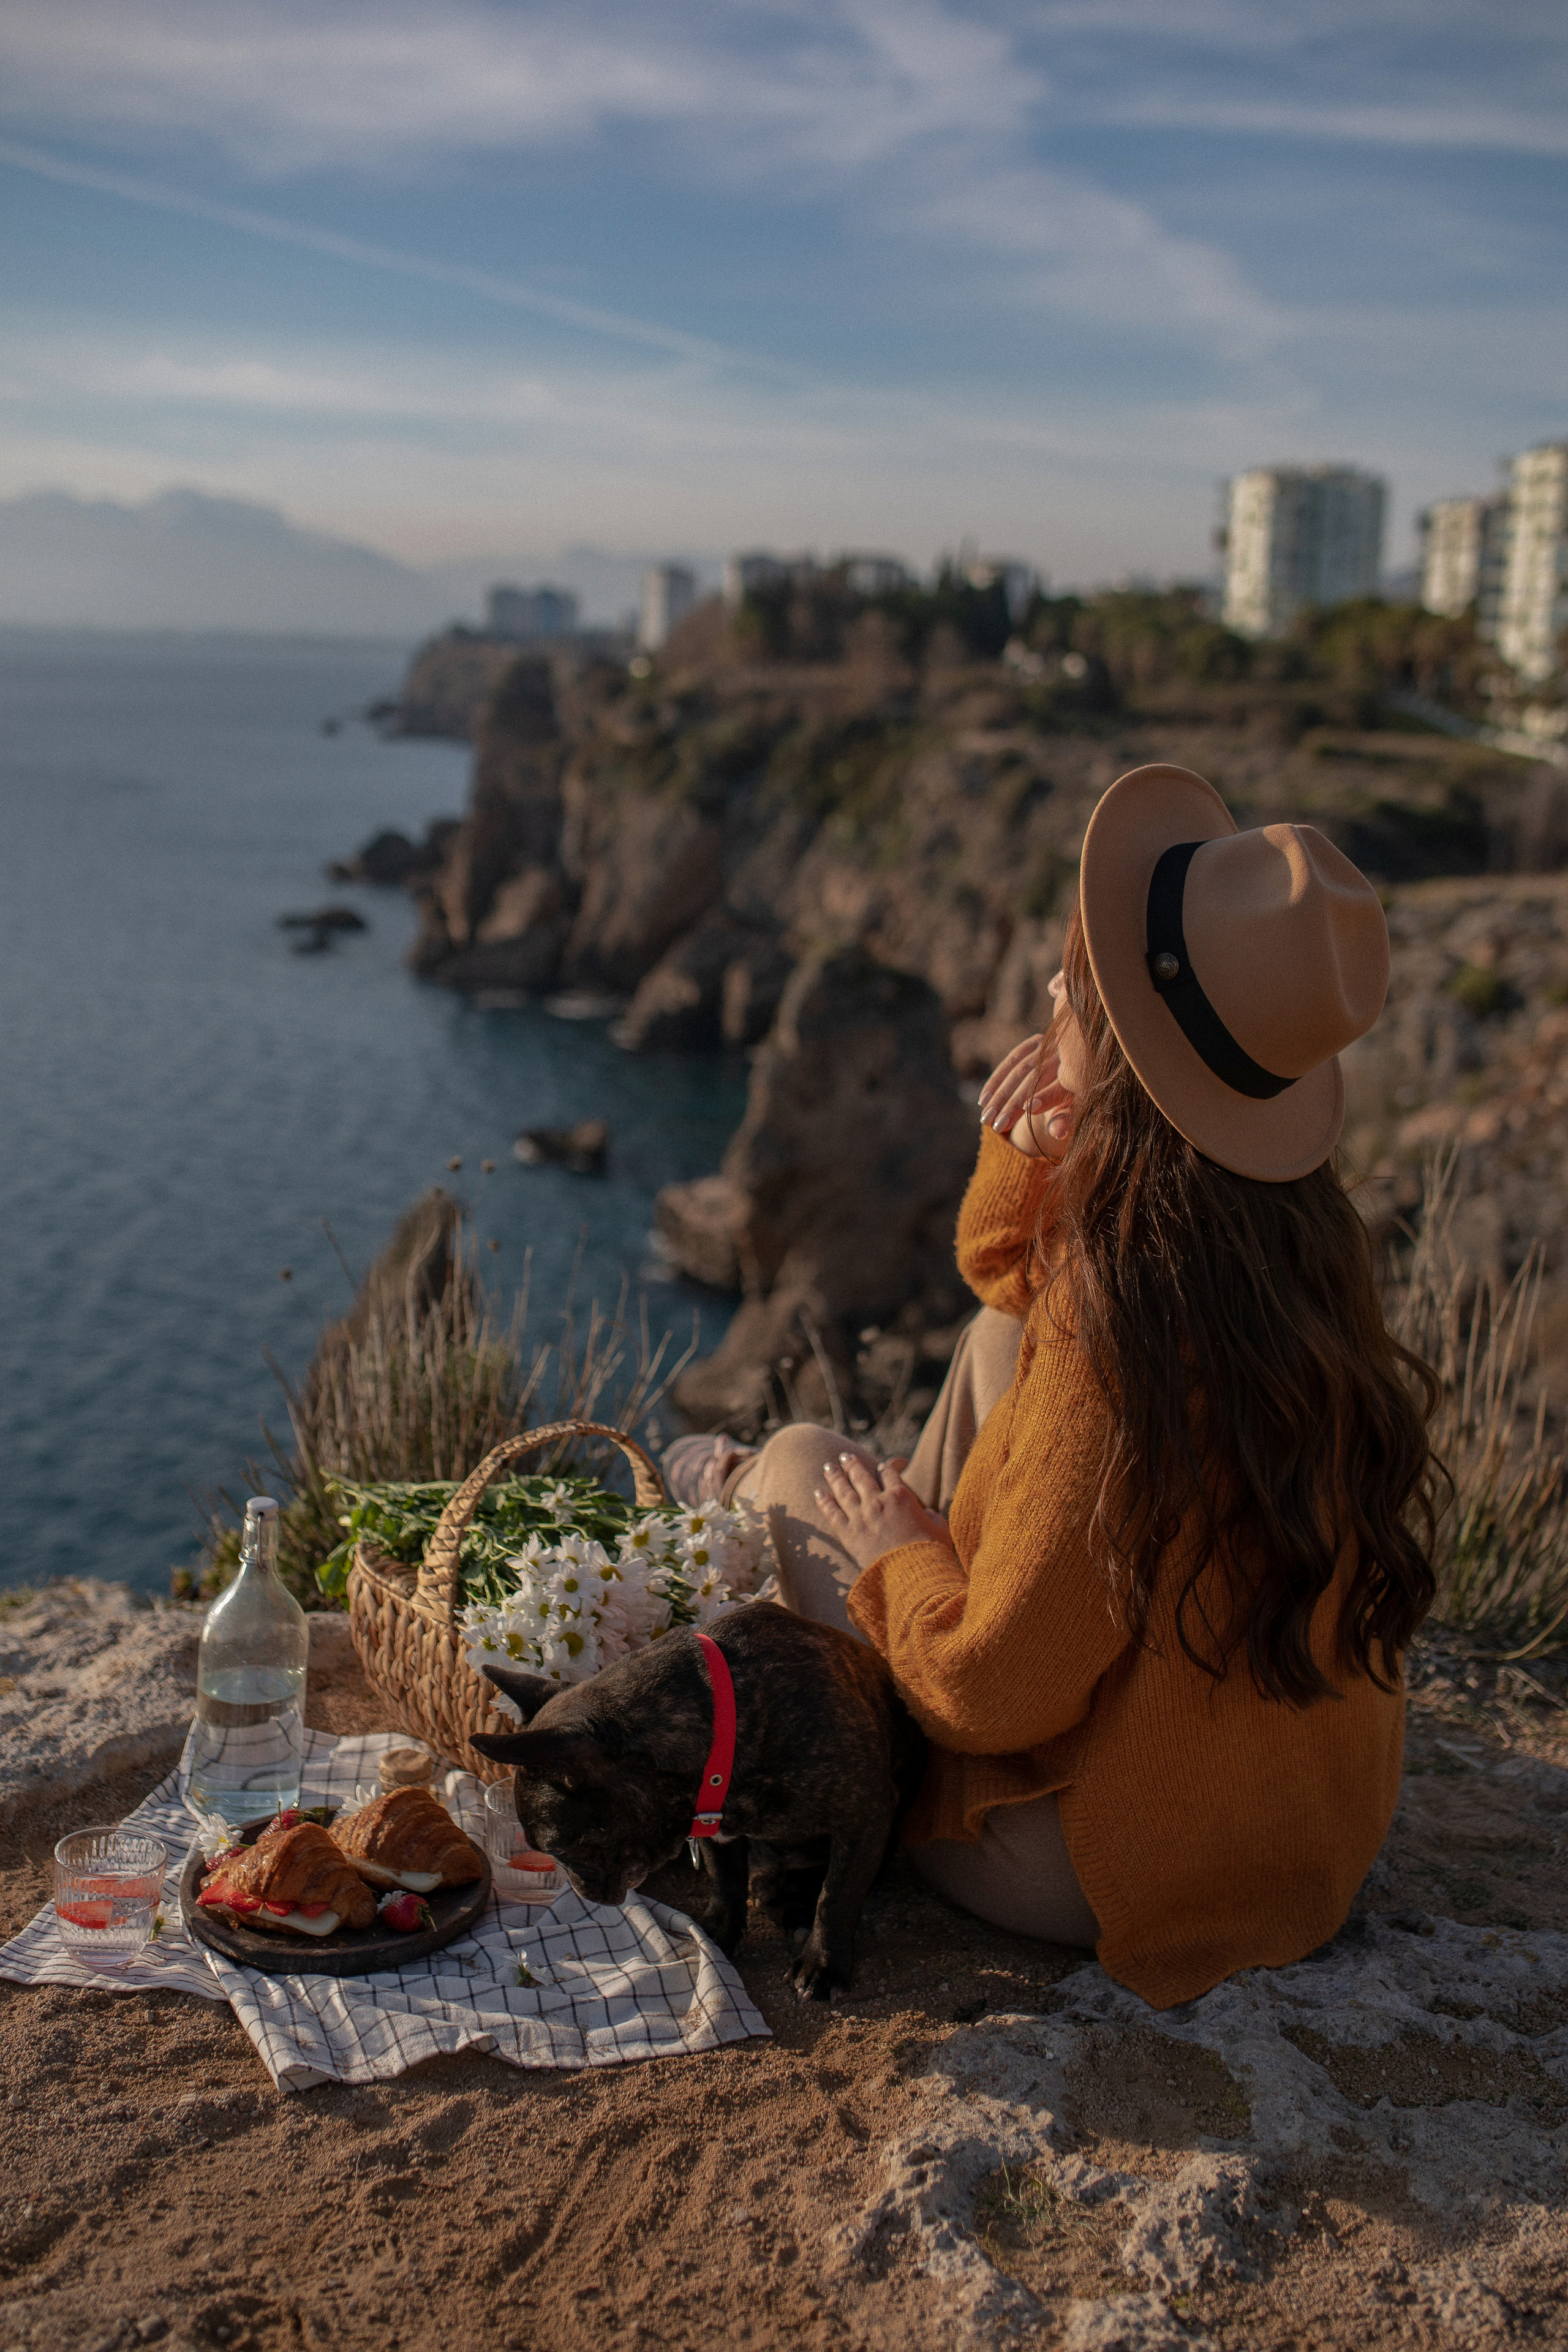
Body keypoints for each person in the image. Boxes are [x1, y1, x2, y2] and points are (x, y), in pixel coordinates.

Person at [667, 762, 1441, 2009]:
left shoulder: (1113, 1325)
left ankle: (747, 1504)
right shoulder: (1283, 1244)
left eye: (1076, 990)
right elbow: (1001, 1285)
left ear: (1123, 1057)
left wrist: (892, 1556)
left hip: (1105, 1869)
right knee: (985, 1346)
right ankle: (770, 1506)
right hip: (1295, 1844)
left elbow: (986, 1696)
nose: (1041, 997)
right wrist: (1030, 1156)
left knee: (812, 1459)